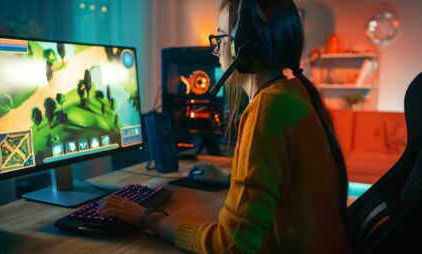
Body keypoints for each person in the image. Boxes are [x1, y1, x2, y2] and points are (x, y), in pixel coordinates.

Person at [98, 0, 350, 252]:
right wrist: (231, 178)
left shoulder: (268, 108)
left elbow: (230, 245)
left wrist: (150, 218)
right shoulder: (294, 93)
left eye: (220, 37)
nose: (216, 50)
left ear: (246, 46)